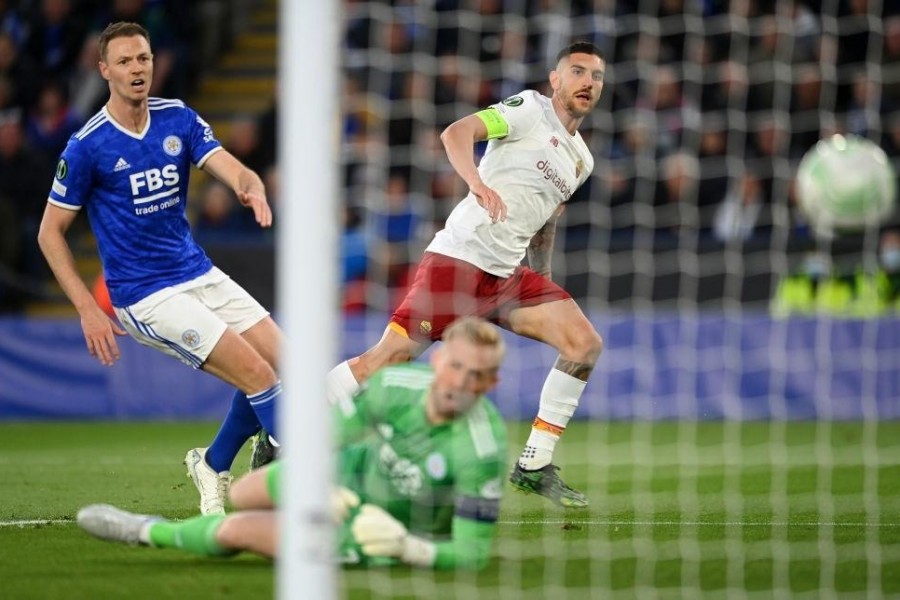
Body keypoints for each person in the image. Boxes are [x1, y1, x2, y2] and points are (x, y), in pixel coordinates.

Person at [325, 41, 605, 508]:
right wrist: (476, 183)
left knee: (584, 345)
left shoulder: (582, 160)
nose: (587, 83)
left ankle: (535, 463)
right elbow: (457, 133)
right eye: (577, 72)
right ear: (555, 79)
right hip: (460, 262)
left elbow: (545, 220)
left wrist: (544, 276)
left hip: (507, 277)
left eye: (596, 77)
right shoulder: (528, 110)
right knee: (385, 361)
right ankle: (283, 429)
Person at [37, 22, 282, 516]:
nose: (136, 69)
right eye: (125, 61)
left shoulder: (177, 118)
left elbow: (228, 164)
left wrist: (248, 183)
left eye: (143, 59)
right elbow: (49, 232)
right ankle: (299, 478)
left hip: (198, 272)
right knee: (258, 376)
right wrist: (87, 309)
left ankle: (213, 464)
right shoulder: (87, 145)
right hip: (145, 294)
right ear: (104, 70)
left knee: (282, 367)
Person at [77, 316, 508, 570]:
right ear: (437, 360)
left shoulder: (481, 449)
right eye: (456, 367)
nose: (461, 382)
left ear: (492, 383)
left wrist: (405, 546)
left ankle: (149, 531)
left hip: (383, 526)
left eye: (476, 376)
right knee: (247, 492)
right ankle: (223, 466)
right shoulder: (396, 383)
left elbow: (471, 552)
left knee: (237, 528)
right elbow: (330, 433)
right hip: (348, 476)